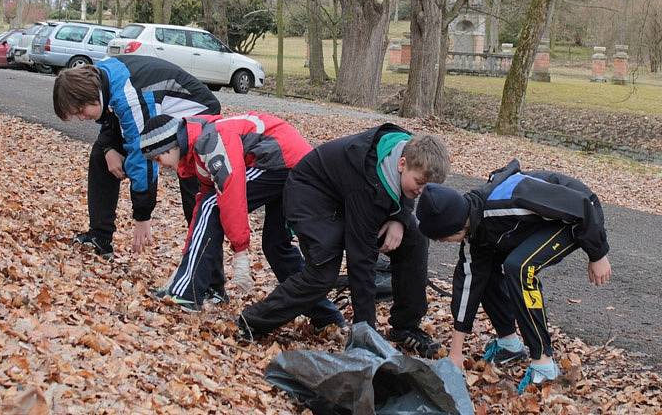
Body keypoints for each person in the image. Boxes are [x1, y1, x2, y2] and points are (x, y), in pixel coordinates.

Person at [238, 124, 450, 353]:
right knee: (322, 274)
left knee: (415, 236)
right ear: (402, 163)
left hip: (345, 200)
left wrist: (400, 216)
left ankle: (406, 326)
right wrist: (365, 332)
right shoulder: (367, 181)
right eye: (420, 183)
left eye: (427, 186)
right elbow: (361, 260)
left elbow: (408, 190)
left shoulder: (410, 149)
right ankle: (251, 322)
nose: (421, 191)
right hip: (310, 197)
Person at [414, 159, 612, 394]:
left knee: (519, 267)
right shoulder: (472, 229)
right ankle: (509, 343)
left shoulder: (508, 202)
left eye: (443, 239)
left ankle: (544, 364)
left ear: (456, 228)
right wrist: (455, 354)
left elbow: (580, 206)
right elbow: (468, 284)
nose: (444, 243)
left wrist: (597, 253)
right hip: (542, 222)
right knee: (483, 272)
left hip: (578, 216)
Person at [138, 112, 345, 331]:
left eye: (157, 158)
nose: (160, 165)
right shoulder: (199, 148)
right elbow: (203, 212)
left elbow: (230, 190)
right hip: (292, 164)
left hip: (283, 161)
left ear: (170, 146)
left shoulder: (210, 140)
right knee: (276, 246)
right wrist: (183, 264)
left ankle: (187, 292)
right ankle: (326, 316)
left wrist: (241, 252)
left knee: (214, 205)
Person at [52, 55, 221, 260]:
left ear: (90, 94)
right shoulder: (100, 76)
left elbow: (144, 157)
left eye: (80, 111)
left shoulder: (131, 97)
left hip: (199, 116)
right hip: (158, 116)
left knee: (193, 191)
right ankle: (100, 237)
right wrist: (108, 148)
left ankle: (208, 279)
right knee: (100, 154)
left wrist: (142, 216)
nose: (81, 117)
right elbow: (112, 115)